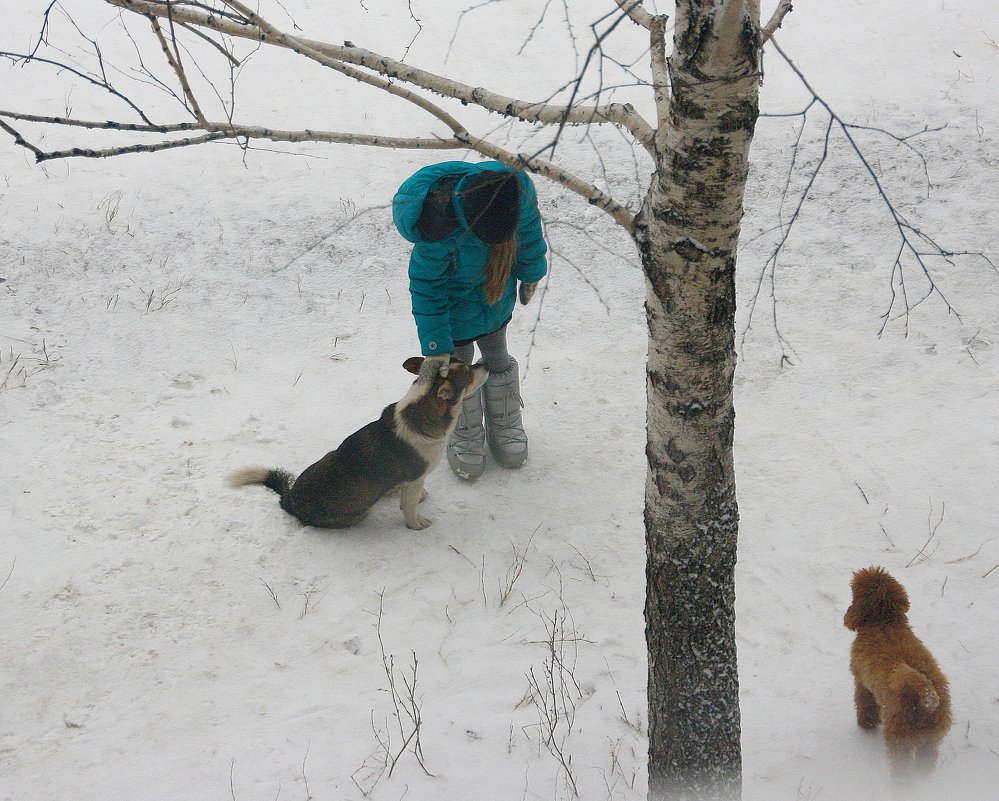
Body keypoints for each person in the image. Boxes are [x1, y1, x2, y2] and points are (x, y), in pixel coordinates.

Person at [392, 160, 548, 480]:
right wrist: (437, 346)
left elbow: (530, 231)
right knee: (458, 368)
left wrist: (531, 271)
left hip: (495, 301)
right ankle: (465, 428)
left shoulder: (515, 189)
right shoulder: (436, 228)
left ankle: (505, 421)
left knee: (497, 357)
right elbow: (426, 291)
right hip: (454, 319)